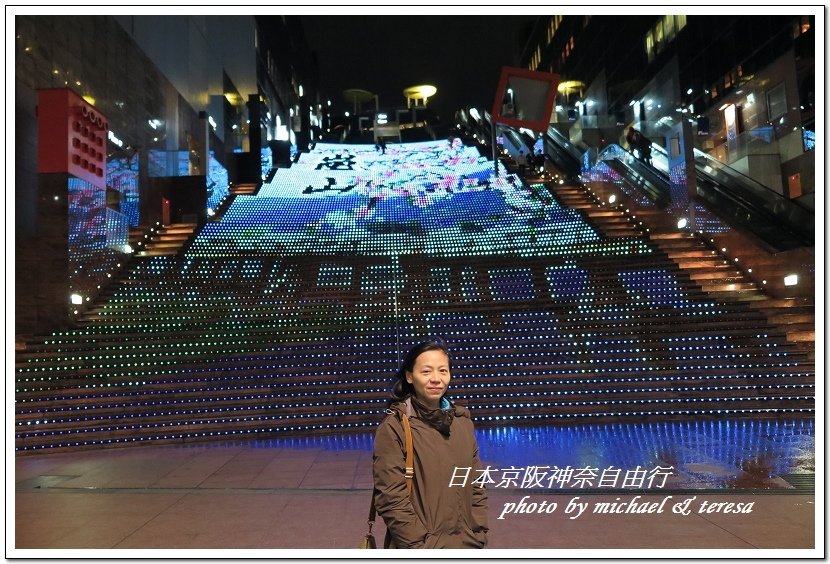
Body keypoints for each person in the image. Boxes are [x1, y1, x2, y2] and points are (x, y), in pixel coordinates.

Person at [372, 340, 489, 549]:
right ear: (409, 376)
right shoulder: (394, 427)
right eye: (426, 371)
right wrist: (420, 547)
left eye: (443, 371)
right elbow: (391, 499)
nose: (436, 379)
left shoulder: (463, 423)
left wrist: (477, 532)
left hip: (466, 546)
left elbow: (475, 484)